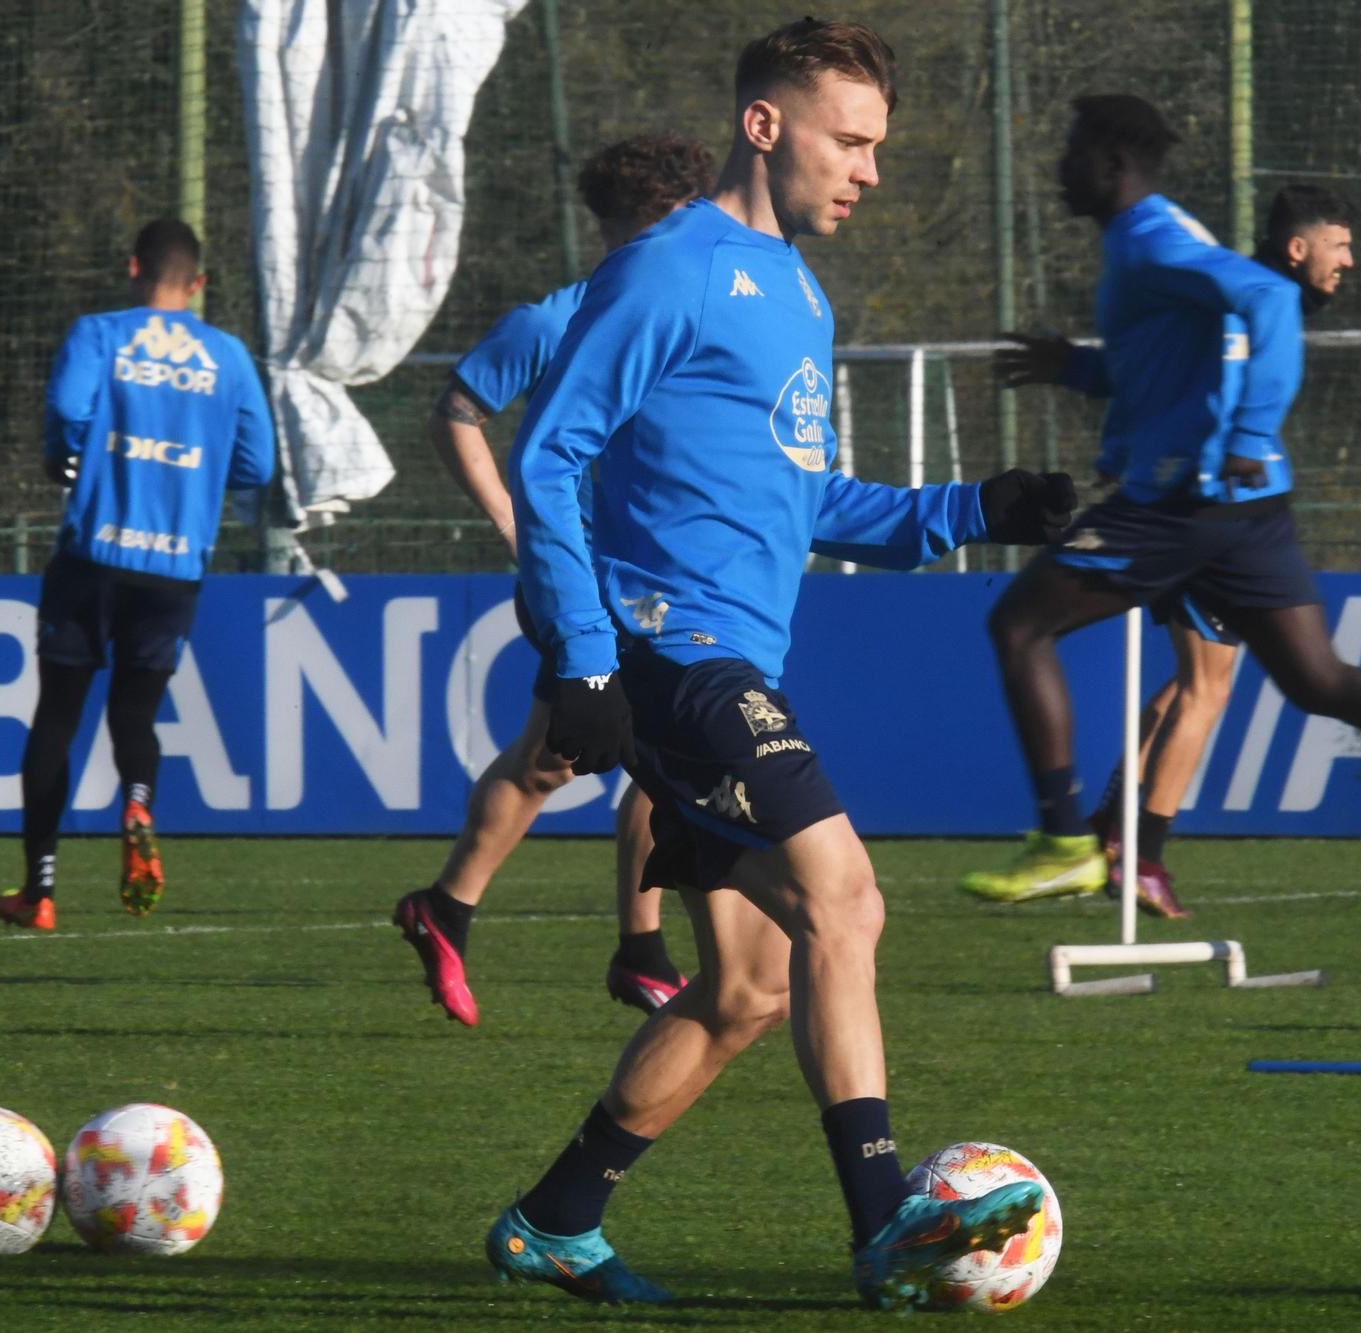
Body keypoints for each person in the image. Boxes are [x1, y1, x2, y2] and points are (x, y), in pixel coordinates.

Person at [486, 18, 1075, 1312]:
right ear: (767, 125)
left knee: (749, 984)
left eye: (876, 146)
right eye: (849, 140)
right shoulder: (674, 267)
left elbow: (806, 503)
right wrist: (585, 660)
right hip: (671, 657)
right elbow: (548, 456)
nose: (868, 170)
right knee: (847, 899)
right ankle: (884, 1228)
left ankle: (555, 1219)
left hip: (726, 656)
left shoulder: (798, 292)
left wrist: (978, 505)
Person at [957, 96, 1361, 912]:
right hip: (1251, 505)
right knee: (1317, 679)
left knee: (1020, 625)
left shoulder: (1151, 238)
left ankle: (1067, 841)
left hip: (1186, 497)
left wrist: (1246, 428)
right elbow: (1168, 363)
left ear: (1110, 162)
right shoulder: (1154, 240)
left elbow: (1269, 303)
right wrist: (1076, 366)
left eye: (1071, 150)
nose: (1060, 166)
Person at [393, 133, 716, 1027]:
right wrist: (509, 515)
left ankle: (453, 910)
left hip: (649, 575)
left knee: (563, 759)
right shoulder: (558, 319)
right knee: (626, 747)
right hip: (579, 577)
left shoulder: (690, 314)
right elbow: (457, 411)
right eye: (633, 227)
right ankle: (637, 951)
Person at [992, 184, 1358, 919]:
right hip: (1191, 515)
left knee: (1199, 681)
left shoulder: (1231, 304)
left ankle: (1112, 826)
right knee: (1206, 686)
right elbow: (1160, 383)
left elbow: (1149, 375)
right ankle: (1138, 853)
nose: (1349, 263)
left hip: (1197, 512)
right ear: (1297, 248)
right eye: (1339, 247)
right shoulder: (1237, 305)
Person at [0, 219, 275, 930]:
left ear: (133, 268)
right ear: (200, 283)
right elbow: (258, 467)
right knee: (135, 716)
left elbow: (64, 411)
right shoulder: (229, 355)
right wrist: (202, 467)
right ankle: (139, 799)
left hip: (93, 555)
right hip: (175, 565)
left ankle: (41, 888)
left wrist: (67, 455)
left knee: (58, 715)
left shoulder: (101, 333)